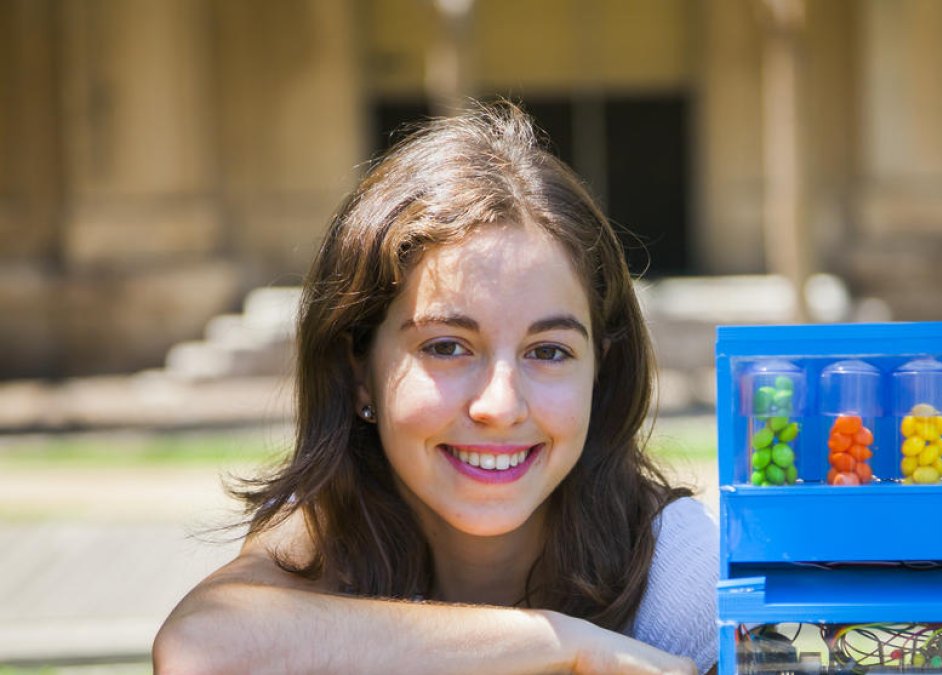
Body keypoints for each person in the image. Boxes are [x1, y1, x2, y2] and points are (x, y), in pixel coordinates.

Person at [153, 101, 718, 674]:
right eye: (446, 347)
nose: (500, 405)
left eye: (549, 352)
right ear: (358, 372)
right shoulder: (330, 530)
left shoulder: (683, 575)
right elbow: (203, 650)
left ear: (600, 373)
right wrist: (559, 645)